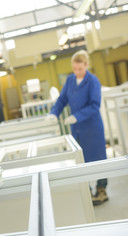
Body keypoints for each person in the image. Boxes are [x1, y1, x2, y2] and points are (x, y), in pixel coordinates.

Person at [47, 49, 108, 205]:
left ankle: (102, 190)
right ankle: (86, 190)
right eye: (75, 69)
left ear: (86, 65)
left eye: (80, 69)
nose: (77, 72)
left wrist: (76, 116)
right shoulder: (70, 80)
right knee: (79, 159)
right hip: (77, 129)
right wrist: (54, 113)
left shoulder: (93, 81)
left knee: (99, 159)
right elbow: (62, 100)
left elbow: (95, 105)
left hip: (92, 127)